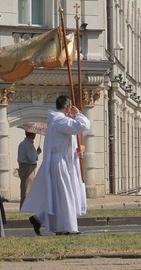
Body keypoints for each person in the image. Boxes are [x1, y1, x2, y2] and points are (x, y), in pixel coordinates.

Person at [22, 95, 90, 236]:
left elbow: (78, 133)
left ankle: (39, 218)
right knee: (64, 195)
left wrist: (80, 147)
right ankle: (67, 227)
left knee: (59, 195)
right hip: (60, 162)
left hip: (64, 160)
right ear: (68, 107)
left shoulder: (59, 121)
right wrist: (78, 113)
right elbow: (82, 125)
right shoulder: (60, 121)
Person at [17, 130, 41, 209]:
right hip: (28, 167)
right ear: (32, 134)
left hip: (24, 167)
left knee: (25, 188)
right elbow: (32, 159)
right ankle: (26, 207)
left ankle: (24, 206)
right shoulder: (28, 144)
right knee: (27, 189)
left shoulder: (23, 143)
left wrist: (36, 153)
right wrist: (37, 153)